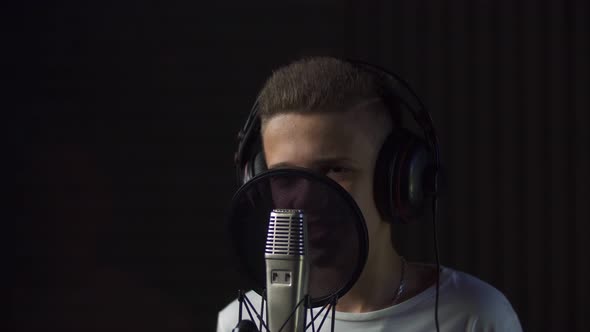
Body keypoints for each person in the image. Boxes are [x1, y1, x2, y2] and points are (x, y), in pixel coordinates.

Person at [217, 57, 522, 331]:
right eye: (285, 176)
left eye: (335, 170)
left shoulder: (475, 316)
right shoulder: (241, 323)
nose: (306, 200)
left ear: (399, 184)